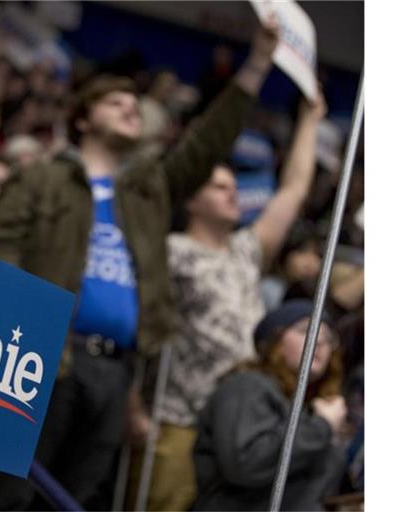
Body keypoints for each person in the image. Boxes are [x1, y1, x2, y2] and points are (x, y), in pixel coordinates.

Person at [0, 18, 281, 511]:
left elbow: (206, 143)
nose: (130, 107)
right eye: (115, 102)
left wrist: (259, 62)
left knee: (76, 498)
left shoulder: (147, 189)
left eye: (135, 105)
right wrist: (19, 333)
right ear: (82, 118)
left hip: (118, 370)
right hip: (44, 357)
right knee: (7, 492)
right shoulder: (43, 179)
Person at [133, 88, 327, 511]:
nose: (232, 193)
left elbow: (293, 192)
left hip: (241, 419)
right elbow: (138, 327)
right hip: (180, 419)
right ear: (193, 199)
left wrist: (310, 119)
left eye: (234, 185)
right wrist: (134, 408)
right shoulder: (172, 250)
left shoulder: (244, 250)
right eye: (219, 186)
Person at [193, 299, 347, 511]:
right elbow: (245, 463)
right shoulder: (247, 386)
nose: (319, 341)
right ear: (275, 340)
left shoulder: (309, 406)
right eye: (305, 330)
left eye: (329, 338)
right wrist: (321, 426)